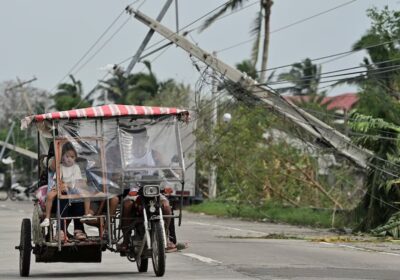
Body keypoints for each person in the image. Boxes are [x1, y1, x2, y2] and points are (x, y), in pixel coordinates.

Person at [118, 127, 177, 253]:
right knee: (127, 204)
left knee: (166, 206)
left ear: (146, 139)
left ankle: (165, 236)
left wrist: (172, 175)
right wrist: (121, 176)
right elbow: (118, 173)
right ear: (132, 140)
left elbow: (167, 169)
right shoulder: (127, 157)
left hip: (154, 190)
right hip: (135, 190)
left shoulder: (154, 155)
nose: (138, 141)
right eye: (136, 139)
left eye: (141, 138)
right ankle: (126, 240)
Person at [39, 142, 90, 241]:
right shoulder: (57, 164)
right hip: (61, 193)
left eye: (72, 156)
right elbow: (57, 180)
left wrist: (70, 186)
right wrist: (62, 186)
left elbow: (79, 182)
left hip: (73, 191)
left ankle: (79, 229)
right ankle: (61, 230)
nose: (69, 159)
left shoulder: (76, 167)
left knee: (79, 197)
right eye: (67, 156)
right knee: (63, 197)